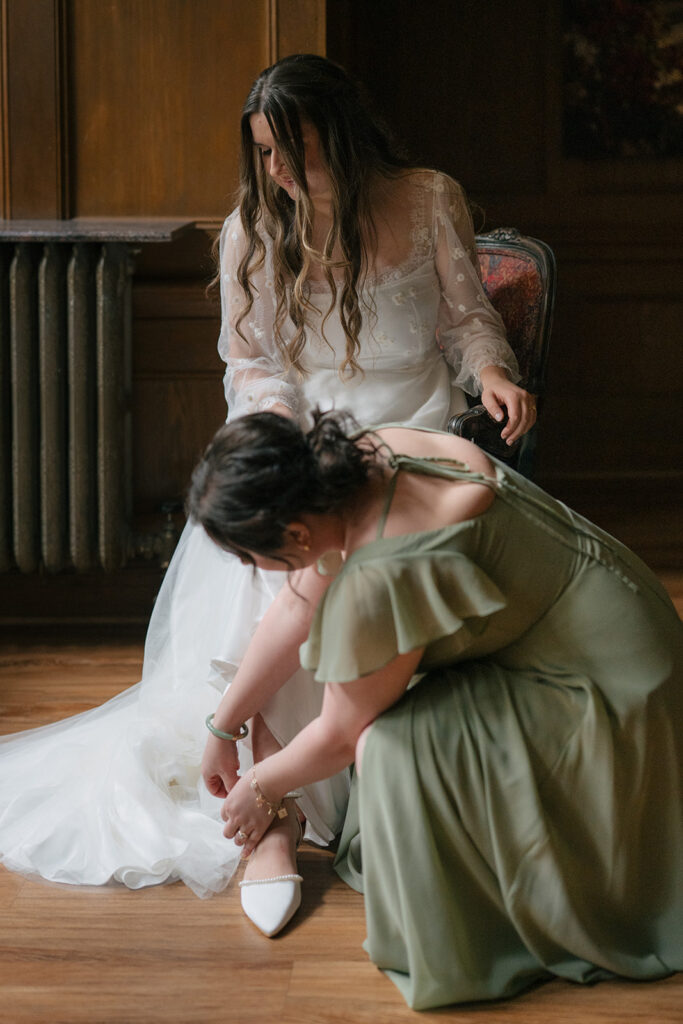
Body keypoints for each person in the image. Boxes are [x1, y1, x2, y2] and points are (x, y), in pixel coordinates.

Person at [0, 54, 534, 920]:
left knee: (344, 563)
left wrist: (492, 370)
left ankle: (355, 771)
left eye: (297, 152)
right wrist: (288, 440)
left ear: (348, 141)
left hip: (415, 429)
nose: (278, 173)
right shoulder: (253, 227)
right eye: (263, 155)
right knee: (272, 561)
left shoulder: (430, 196)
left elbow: (465, 316)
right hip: (305, 439)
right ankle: (270, 808)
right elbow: (249, 363)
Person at [188, 408, 683, 1011]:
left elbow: (342, 733)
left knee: (384, 748)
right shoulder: (359, 459)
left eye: (247, 557)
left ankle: (495, 926)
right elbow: (297, 609)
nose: (249, 570)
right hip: (616, 606)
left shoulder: (382, 572)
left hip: (603, 683)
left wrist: (261, 785)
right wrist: (224, 723)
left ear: (295, 536)